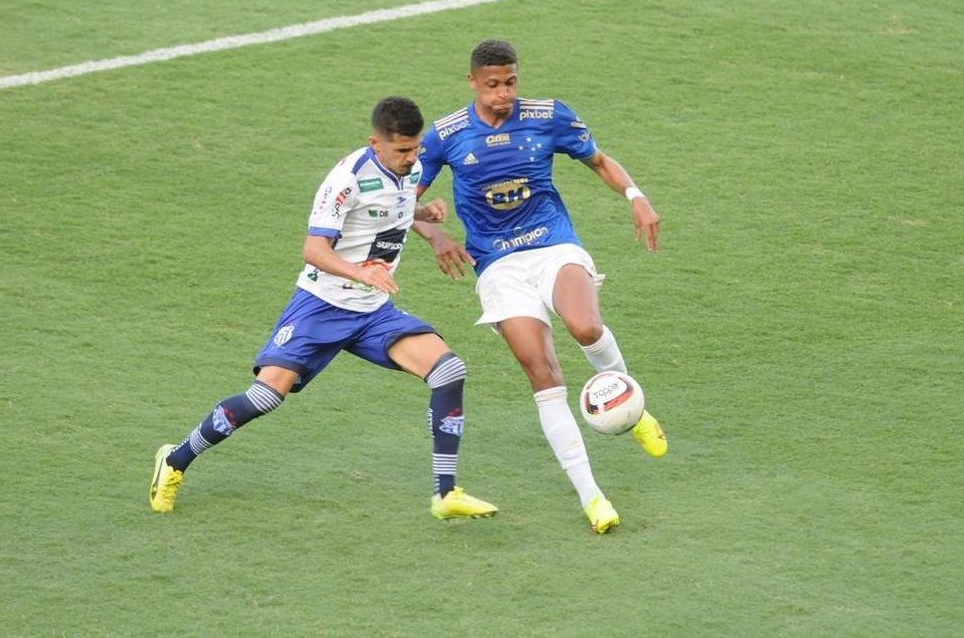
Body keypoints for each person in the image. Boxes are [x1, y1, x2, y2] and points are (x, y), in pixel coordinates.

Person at [149, 96, 497, 521]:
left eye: (416, 148)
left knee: (449, 371)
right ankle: (175, 460)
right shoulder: (346, 180)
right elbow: (313, 249)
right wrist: (362, 273)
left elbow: (396, 209)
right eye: (402, 150)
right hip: (321, 306)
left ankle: (446, 495)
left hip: (372, 312)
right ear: (375, 143)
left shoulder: (413, 169)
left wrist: (429, 223)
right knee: (264, 397)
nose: (412, 158)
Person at [411, 39, 666, 534]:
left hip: (553, 247)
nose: (503, 94)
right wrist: (435, 233)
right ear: (471, 83)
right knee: (544, 374)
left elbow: (598, 160)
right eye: (492, 85)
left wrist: (636, 196)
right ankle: (593, 499)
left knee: (586, 325)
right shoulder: (447, 135)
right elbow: (402, 200)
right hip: (499, 269)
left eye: (510, 83)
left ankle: (633, 410)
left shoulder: (548, 116)